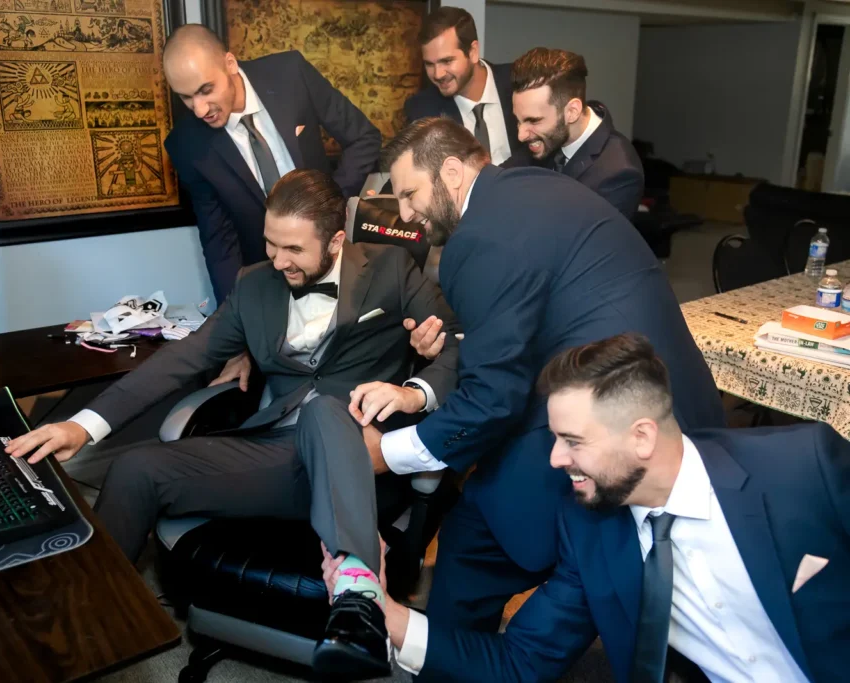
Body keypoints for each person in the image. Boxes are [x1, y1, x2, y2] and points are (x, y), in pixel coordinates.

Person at [4, 169, 460, 679]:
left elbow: (455, 348)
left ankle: (357, 602)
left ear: (335, 240)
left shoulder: (393, 268)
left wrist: (412, 390)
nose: (277, 259)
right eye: (270, 243)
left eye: (292, 249)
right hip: (277, 457)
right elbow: (182, 358)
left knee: (323, 410)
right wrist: (83, 426)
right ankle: (75, 629)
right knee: (136, 467)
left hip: (359, 459)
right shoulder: (253, 285)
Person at [352, 117, 724, 663]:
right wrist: (449, 354)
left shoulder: (475, 241)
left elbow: (492, 399)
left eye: (409, 194)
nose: (404, 214)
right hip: (677, 414)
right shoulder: (531, 188)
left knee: (474, 539)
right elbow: (536, 314)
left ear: (451, 171)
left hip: (602, 434)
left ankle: (456, 663)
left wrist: (386, 453)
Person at [328, 332, 849, 682]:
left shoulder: (806, 468)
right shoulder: (590, 528)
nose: (555, 459)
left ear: (642, 436)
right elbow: (522, 661)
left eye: (573, 441)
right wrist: (388, 615)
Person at [163, 24, 381, 304]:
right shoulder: (187, 145)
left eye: (206, 90)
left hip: (338, 266)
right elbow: (219, 242)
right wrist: (235, 321)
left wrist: (331, 205)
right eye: (186, 97)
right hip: (270, 286)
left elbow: (364, 137)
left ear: (229, 64)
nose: (200, 109)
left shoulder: (290, 74)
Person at [503, 47, 644, 219]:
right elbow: (501, 179)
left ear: (572, 112)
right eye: (518, 120)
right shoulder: (547, 137)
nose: (521, 135)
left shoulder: (619, 174)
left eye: (533, 120)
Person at [402, 7, 527, 166]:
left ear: (473, 52)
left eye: (447, 61)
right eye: (429, 64)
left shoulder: (519, 81)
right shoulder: (422, 110)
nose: (438, 74)